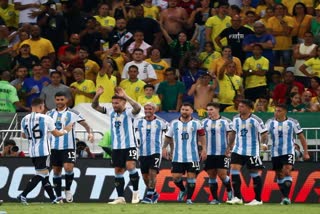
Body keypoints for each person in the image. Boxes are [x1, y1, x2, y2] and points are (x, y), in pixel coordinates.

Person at [18, 98, 73, 205]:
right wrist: (66, 130)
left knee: (45, 175)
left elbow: (23, 135)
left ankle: (53, 198)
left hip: (32, 152)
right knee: (41, 175)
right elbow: (56, 134)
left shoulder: (24, 119)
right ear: (41, 106)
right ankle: (23, 195)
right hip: (43, 151)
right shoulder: (46, 118)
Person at [91, 87, 141, 204]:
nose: (114, 105)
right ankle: (120, 198)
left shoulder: (129, 112)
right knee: (118, 170)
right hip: (117, 147)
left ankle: (135, 193)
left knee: (130, 167)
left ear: (124, 102)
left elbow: (138, 108)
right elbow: (94, 106)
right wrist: (97, 95)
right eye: (113, 103)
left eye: (117, 103)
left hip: (130, 145)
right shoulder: (111, 112)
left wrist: (126, 96)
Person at [46, 91, 93, 203]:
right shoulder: (49, 114)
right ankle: (58, 196)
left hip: (69, 147)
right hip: (54, 147)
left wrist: (90, 133)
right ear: (55, 100)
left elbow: (85, 124)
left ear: (66, 100)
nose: (60, 102)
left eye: (62, 99)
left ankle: (67, 189)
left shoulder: (73, 113)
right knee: (56, 171)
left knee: (68, 168)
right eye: (58, 99)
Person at [162, 103, 207, 204]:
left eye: (187, 110)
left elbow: (202, 136)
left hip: (193, 156)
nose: (184, 112)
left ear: (191, 111)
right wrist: (164, 148)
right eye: (182, 109)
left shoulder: (197, 123)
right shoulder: (174, 123)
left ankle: (189, 199)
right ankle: (182, 190)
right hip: (178, 156)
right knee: (175, 177)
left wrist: (204, 149)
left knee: (191, 178)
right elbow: (168, 137)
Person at [265, 104, 310, 205]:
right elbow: (265, 135)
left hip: (288, 151)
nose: (276, 112)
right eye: (275, 110)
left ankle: (286, 198)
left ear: (285, 112)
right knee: (279, 175)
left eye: (279, 111)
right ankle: (284, 197)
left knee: (287, 170)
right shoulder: (270, 122)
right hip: (275, 152)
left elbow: (301, 137)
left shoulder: (292, 122)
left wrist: (306, 152)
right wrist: (264, 143)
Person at [226, 99, 268, 205]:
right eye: (239, 106)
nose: (240, 108)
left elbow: (264, 134)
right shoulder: (235, 119)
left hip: (252, 151)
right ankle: (237, 197)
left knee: (254, 173)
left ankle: (258, 199)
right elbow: (233, 133)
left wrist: (264, 144)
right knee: (234, 170)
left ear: (249, 108)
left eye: (242, 106)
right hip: (238, 149)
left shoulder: (256, 120)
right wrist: (229, 146)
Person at [134, 102, 167, 203]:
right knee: (145, 177)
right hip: (142, 152)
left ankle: (149, 197)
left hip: (155, 152)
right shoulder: (138, 122)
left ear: (154, 110)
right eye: (146, 109)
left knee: (153, 173)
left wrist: (165, 148)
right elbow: (133, 135)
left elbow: (169, 136)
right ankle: (155, 193)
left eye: (150, 109)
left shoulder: (161, 123)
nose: (148, 111)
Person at [202, 102, 233, 204]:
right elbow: (200, 136)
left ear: (217, 110)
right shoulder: (204, 122)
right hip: (209, 153)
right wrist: (202, 149)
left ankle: (229, 190)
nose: (209, 112)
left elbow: (231, 136)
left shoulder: (226, 122)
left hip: (222, 153)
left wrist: (229, 148)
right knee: (211, 175)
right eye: (208, 110)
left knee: (222, 175)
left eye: (211, 109)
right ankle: (215, 199)